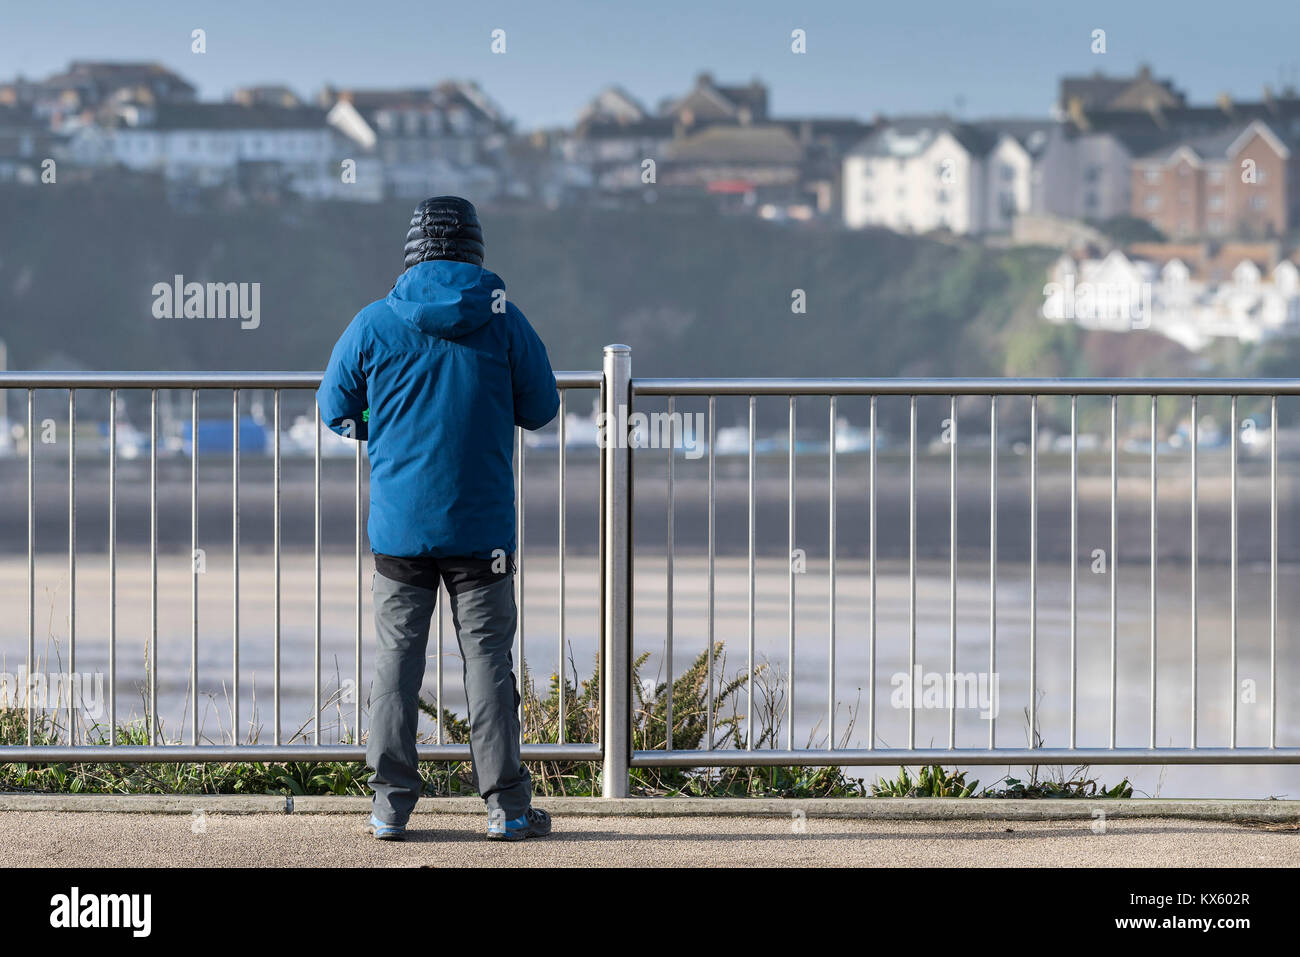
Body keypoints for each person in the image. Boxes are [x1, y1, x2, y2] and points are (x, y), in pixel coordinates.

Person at [317, 196, 559, 841]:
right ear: (477, 251)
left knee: (396, 664)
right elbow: (540, 409)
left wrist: (381, 423)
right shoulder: (503, 321)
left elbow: (335, 409)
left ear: (411, 252)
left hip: (400, 527)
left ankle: (389, 808)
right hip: (482, 531)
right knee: (488, 662)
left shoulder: (373, 323)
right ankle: (505, 808)